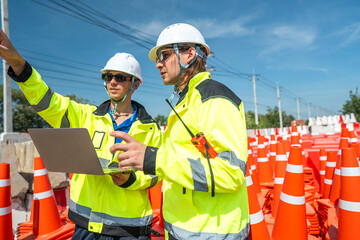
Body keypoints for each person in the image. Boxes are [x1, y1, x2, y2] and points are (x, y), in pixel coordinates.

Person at [0, 29, 162, 239]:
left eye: (120, 77)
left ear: (136, 84)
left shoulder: (151, 130)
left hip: (127, 229)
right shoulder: (85, 116)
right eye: (108, 76)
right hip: (84, 227)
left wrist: (131, 180)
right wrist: (19, 65)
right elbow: (47, 101)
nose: (112, 82)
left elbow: (156, 175)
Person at [110, 23, 249, 239]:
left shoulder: (213, 98)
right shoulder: (185, 103)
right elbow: (176, 169)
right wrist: (132, 179)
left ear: (189, 54)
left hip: (213, 233)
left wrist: (153, 159)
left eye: (164, 55)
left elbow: (230, 174)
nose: (158, 65)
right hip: (182, 230)